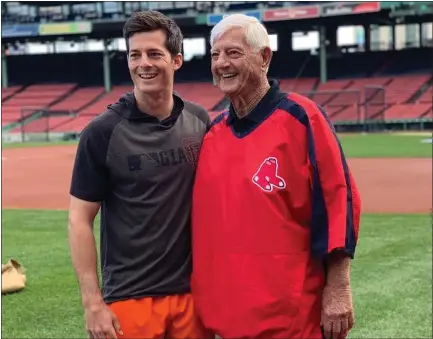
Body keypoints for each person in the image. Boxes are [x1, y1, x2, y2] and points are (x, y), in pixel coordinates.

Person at [191, 14, 362, 339]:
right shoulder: (212, 133)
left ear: (264, 57)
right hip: (224, 321)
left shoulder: (301, 117)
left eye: (233, 53)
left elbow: (338, 199)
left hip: (291, 321)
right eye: (215, 55)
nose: (221, 63)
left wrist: (338, 286)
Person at [68, 10, 212, 339]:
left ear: (176, 60)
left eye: (153, 53)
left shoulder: (199, 120)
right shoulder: (102, 132)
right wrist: (92, 303)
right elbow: (79, 219)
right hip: (130, 297)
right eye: (135, 54)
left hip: (193, 295)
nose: (142, 63)